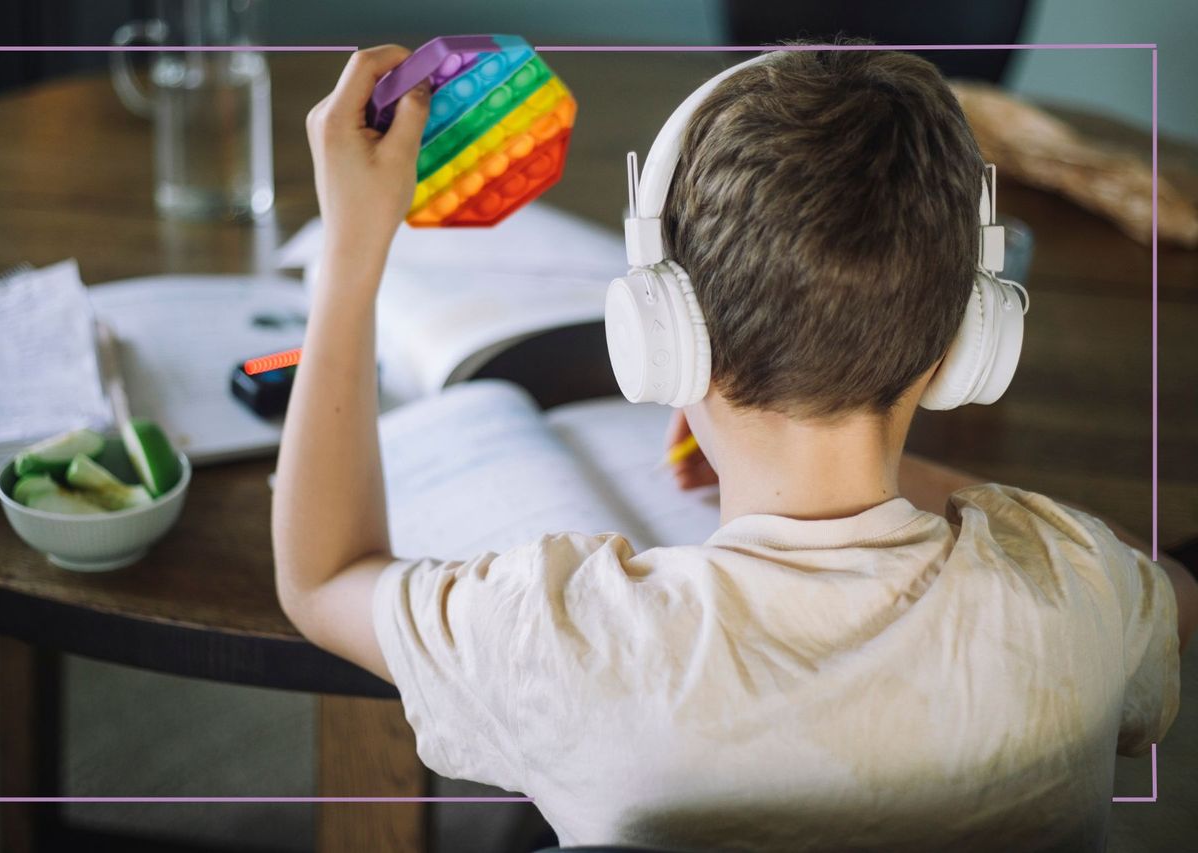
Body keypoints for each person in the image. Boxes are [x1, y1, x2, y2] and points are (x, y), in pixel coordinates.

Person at [272, 43, 1196, 851]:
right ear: (970, 346)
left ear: (662, 339)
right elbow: (1171, 587)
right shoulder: (1081, 595)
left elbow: (323, 576)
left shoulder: (560, 642)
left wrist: (354, 252)